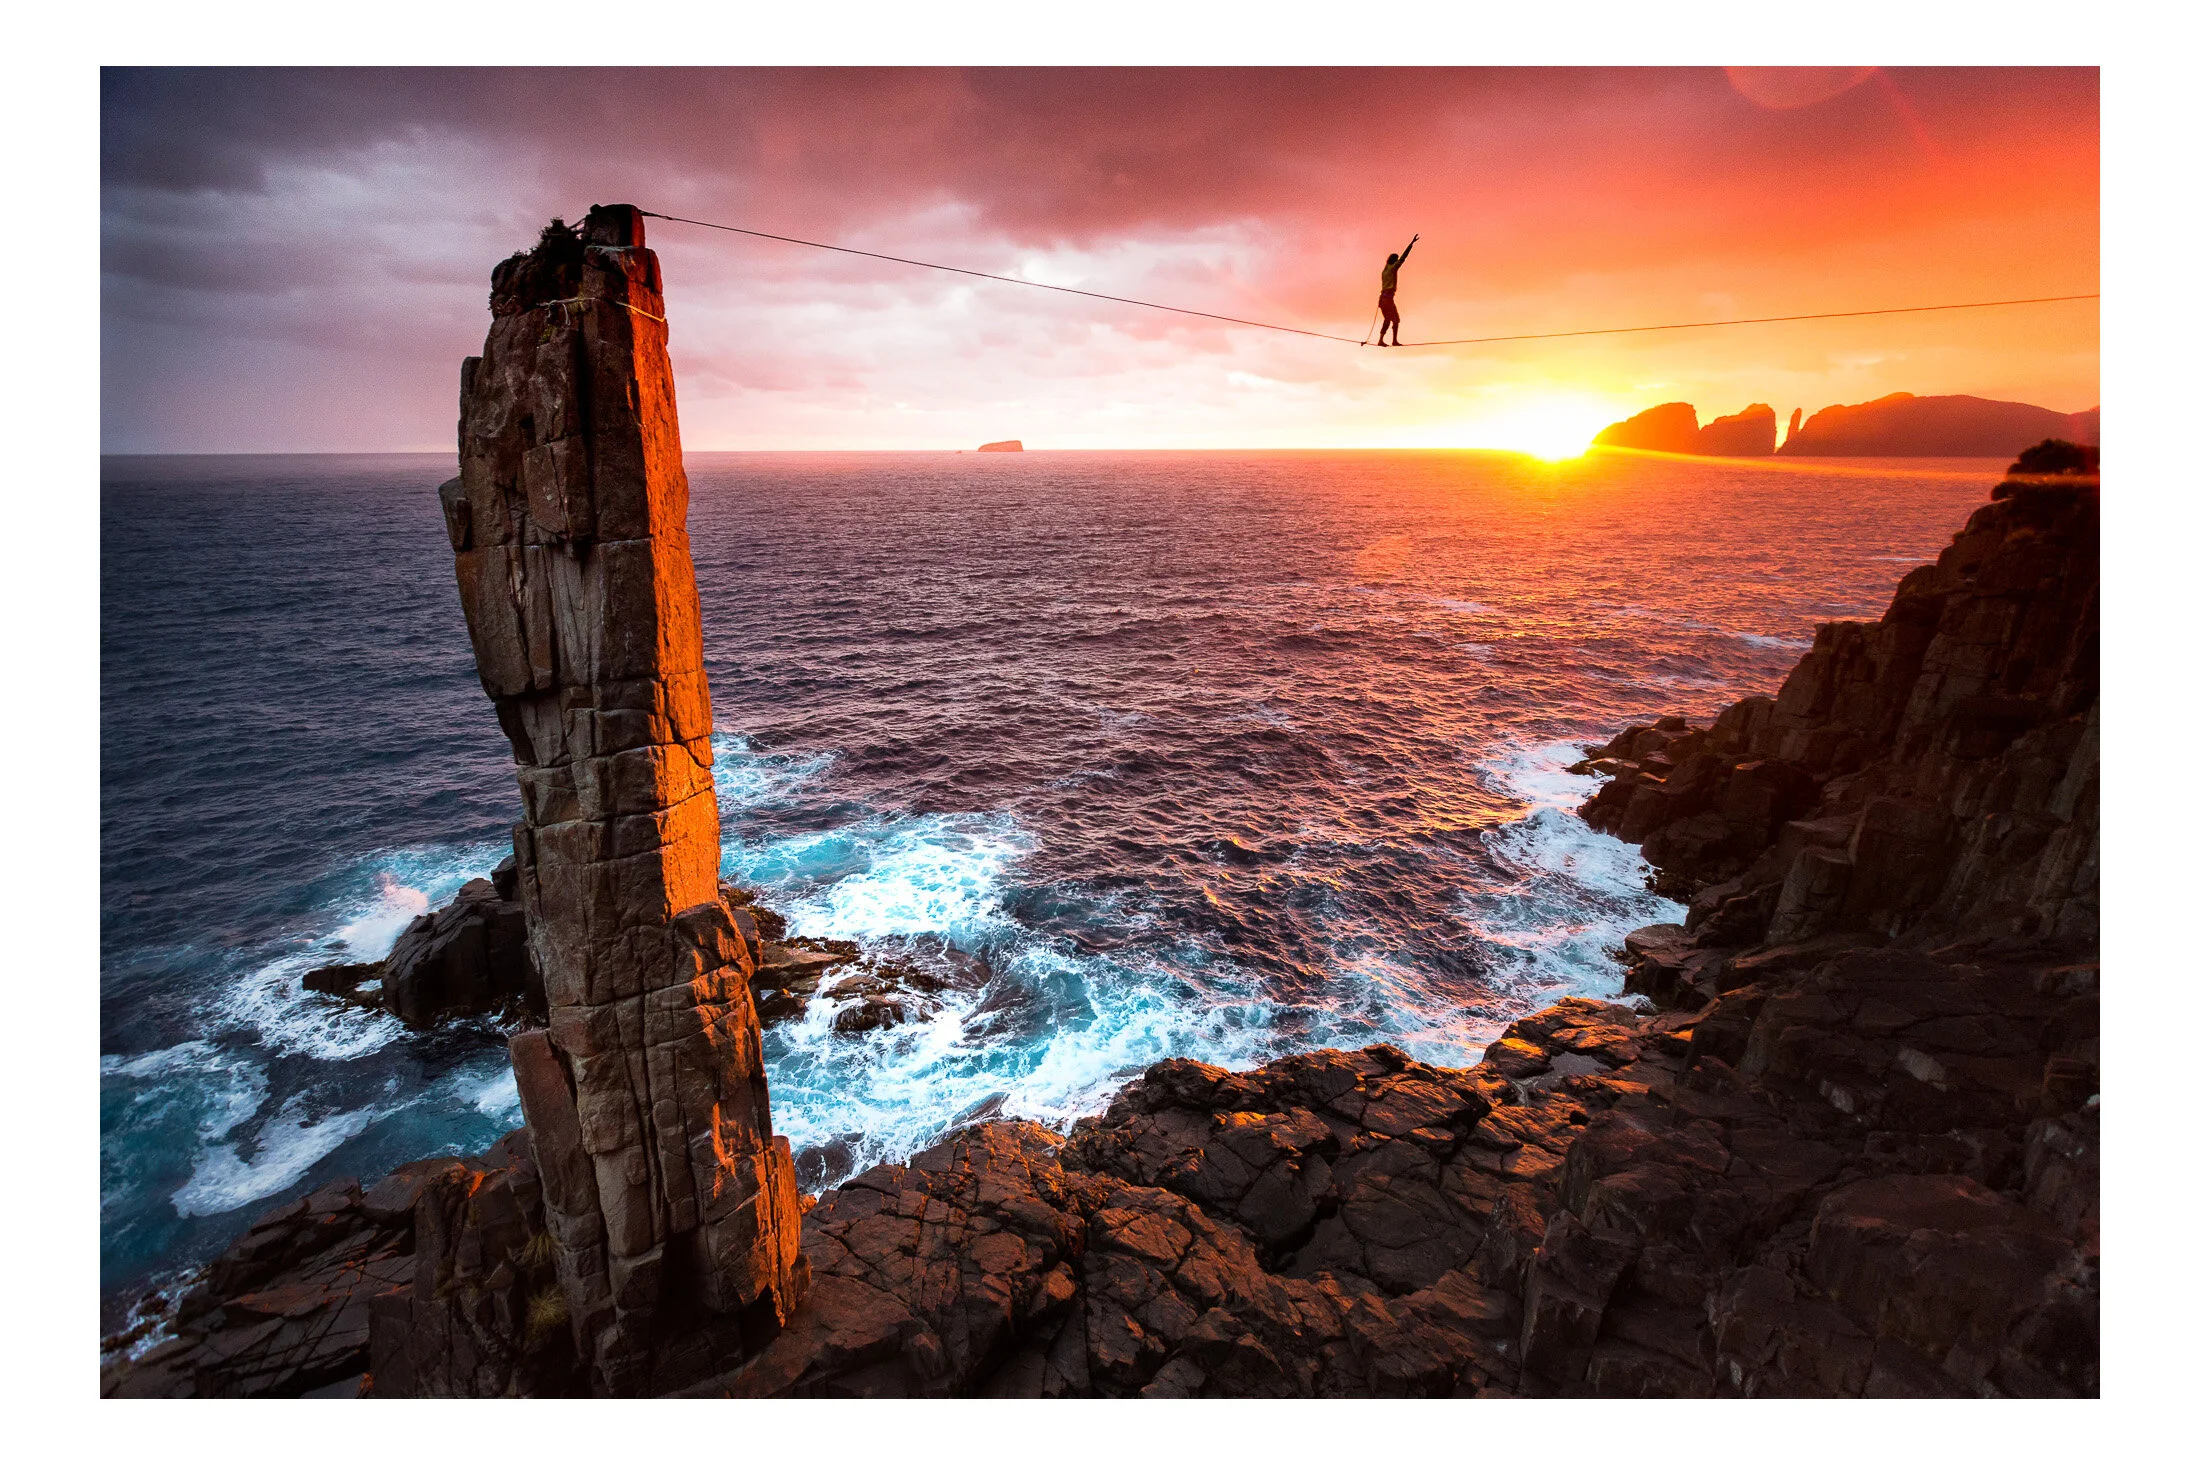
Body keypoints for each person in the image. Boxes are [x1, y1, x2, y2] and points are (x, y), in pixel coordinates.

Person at [1376, 234, 1417, 347]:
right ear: (1395, 261)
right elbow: (1404, 257)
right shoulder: (1393, 268)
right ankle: (1393, 340)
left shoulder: (1385, 269)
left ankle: (1381, 340)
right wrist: (1411, 244)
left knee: (1388, 319)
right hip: (1388, 299)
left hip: (1383, 299)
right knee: (1395, 320)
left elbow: (1398, 259)